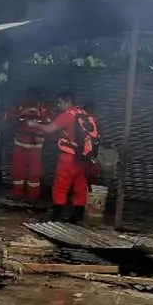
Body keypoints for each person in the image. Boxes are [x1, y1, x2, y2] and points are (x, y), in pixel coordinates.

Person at [28, 91, 100, 223]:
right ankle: (77, 217)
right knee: (80, 187)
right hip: (85, 159)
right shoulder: (86, 114)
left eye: (59, 102)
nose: (58, 105)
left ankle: (57, 217)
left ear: (67, 102)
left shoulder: (68, 115)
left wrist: (34, 125)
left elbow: (49, 129)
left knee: (60, 186)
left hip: (69, 157)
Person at [5, 87, 52, 199]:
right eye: (30, 97)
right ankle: (18, 193)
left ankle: (33, 195)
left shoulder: (44, 109)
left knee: (34, 172)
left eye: (34, 97)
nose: (32, 99)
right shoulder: (21, 106)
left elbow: (51, 123)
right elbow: (8, 115)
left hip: (36, 145)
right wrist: (21, 113)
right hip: (21, 142)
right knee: (18, 170)